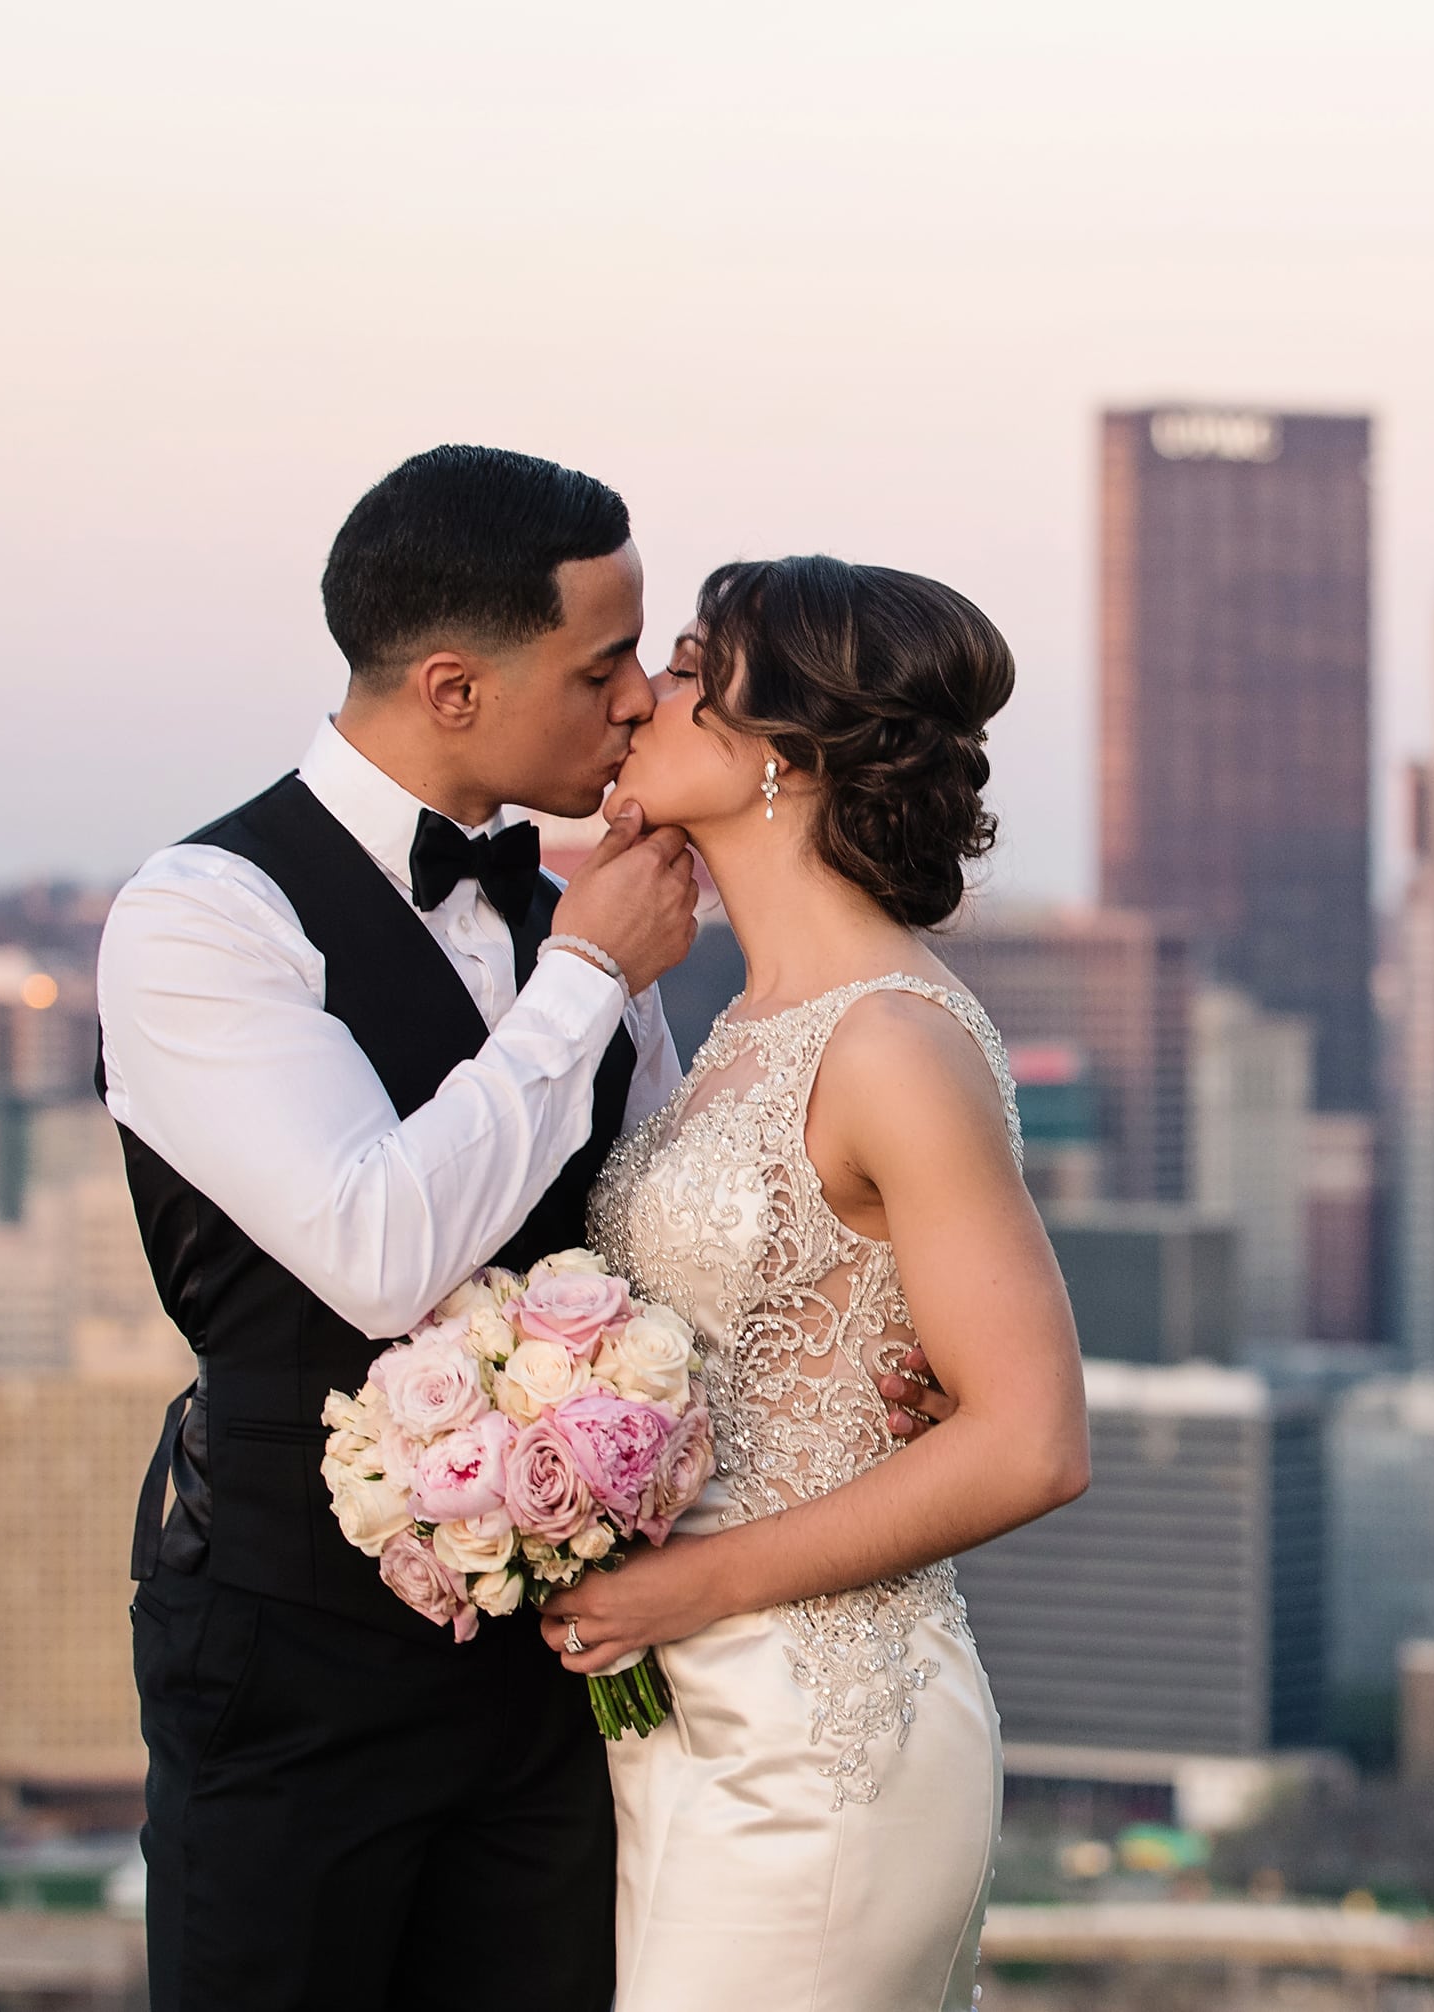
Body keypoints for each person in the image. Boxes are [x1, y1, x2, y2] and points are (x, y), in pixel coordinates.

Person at [95, 447, 963, 2012]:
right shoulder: (203, 919)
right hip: (294, 1664)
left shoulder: (581, 923)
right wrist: (585, 981)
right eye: (603, 664)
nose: (639, 700)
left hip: (572, 1685)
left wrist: (882, 1370)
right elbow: (374, 1251)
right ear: (451, 686)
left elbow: (674, 1250)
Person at [539, 554, 1089, 2012]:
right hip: (681, 1717)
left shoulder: (895, 1044)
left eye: (688, 666)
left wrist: (682, 1588)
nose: (643, 694)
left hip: (819, 1733)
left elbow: (1032, 1437)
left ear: (780, 754)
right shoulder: (739, 1033)